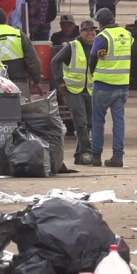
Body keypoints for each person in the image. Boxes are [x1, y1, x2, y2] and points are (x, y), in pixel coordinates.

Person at [88, 8, 133, 167]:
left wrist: (91, 75)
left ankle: (96, 156)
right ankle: (118, 157)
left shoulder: (102, 37)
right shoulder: (127, 35)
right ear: (114, 19)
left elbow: (92, 60)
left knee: (98, 121)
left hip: (103, 85)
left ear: (100, 23)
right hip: (122, 85)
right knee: (119, 122)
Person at [52, 18, 97, 165]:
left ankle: (79, 156)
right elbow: (55, 61)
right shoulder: (72, 46)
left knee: (89, 123)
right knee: (81, 122)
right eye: (87, 30)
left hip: (89, 89)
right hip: (73, 90)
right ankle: (86, 151)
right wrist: (60, 82)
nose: (90, 33)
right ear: (81, 32)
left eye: (92, 30)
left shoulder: (97, 46)